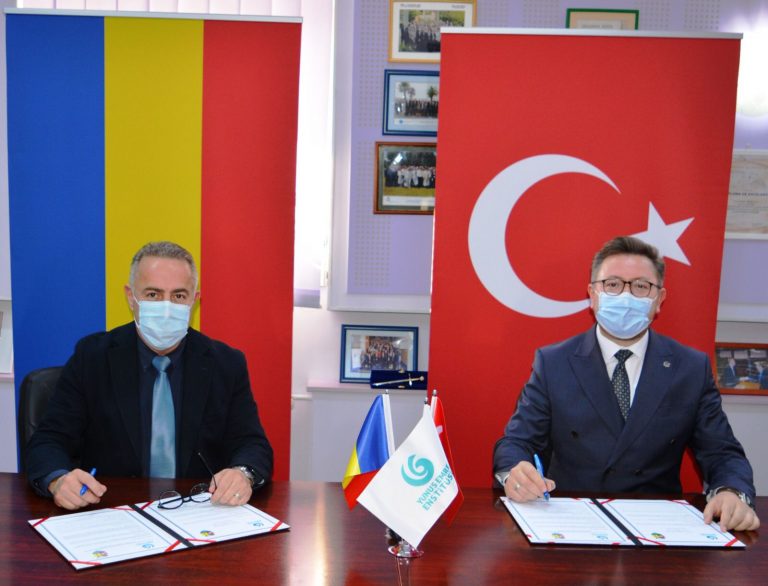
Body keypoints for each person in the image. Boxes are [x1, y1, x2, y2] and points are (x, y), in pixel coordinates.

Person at [493, 236, 760, 532]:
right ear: (593, 294)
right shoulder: (554, 362)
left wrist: (731, 492)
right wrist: (515, 472)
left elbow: (722, 453)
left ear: (659, 299)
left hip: (658, 527)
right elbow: (517, 442)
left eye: (641, 286)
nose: (626, 296)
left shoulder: (690, 368)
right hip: (572, 522)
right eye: (613, 284)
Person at [26, 241, 273, 510]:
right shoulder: (92, 357)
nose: (166, 307)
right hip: (111, 509)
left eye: (178, 295)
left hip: (199, 510)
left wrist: (243, 474)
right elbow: (48, 441)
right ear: (131, 297)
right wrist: (58, 480)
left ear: (194, 300)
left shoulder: (225, 363)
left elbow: (252, 444)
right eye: (153, 294)